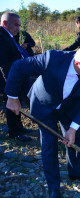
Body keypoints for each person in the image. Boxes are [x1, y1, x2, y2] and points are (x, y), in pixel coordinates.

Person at [5, 47, 80, 198]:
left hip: (69, 107)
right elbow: (19, 66)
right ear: (77, 63)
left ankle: (75, 171)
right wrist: (12, 96)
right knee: (49, 145)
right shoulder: (52, 59)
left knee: (75, 136)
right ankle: (54, 187)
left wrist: (73, 128)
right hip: (44, 106)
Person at [0, 12, 32, 142]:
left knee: (17, 101)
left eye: (19, 25)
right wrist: (10, 84)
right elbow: (3, 63)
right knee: (11, 103)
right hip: (7, 78)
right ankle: (14, 132)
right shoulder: (1, 36)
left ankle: (19, 127)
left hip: (14, 77)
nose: (18, 28)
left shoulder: (8, 35)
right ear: (5, 23)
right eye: (15, 25)